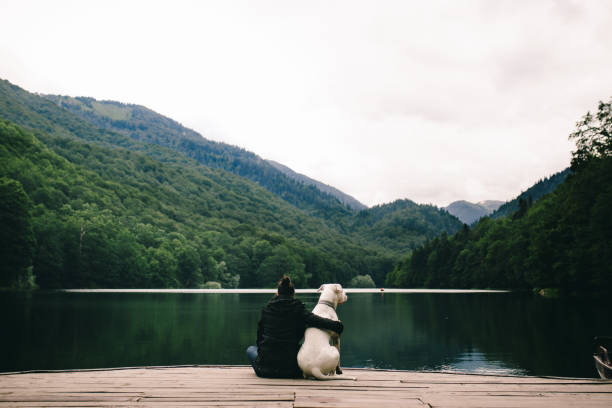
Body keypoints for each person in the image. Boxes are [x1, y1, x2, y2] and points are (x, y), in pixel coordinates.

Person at [246, 275, 344, 378]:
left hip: (264, 370)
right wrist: (337, 325)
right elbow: (318, 321)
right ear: (293, 294)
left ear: (277, 293)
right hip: (291, 368)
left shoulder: (266, 311)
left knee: (250, 349)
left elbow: (259, 339)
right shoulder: (299, 310)